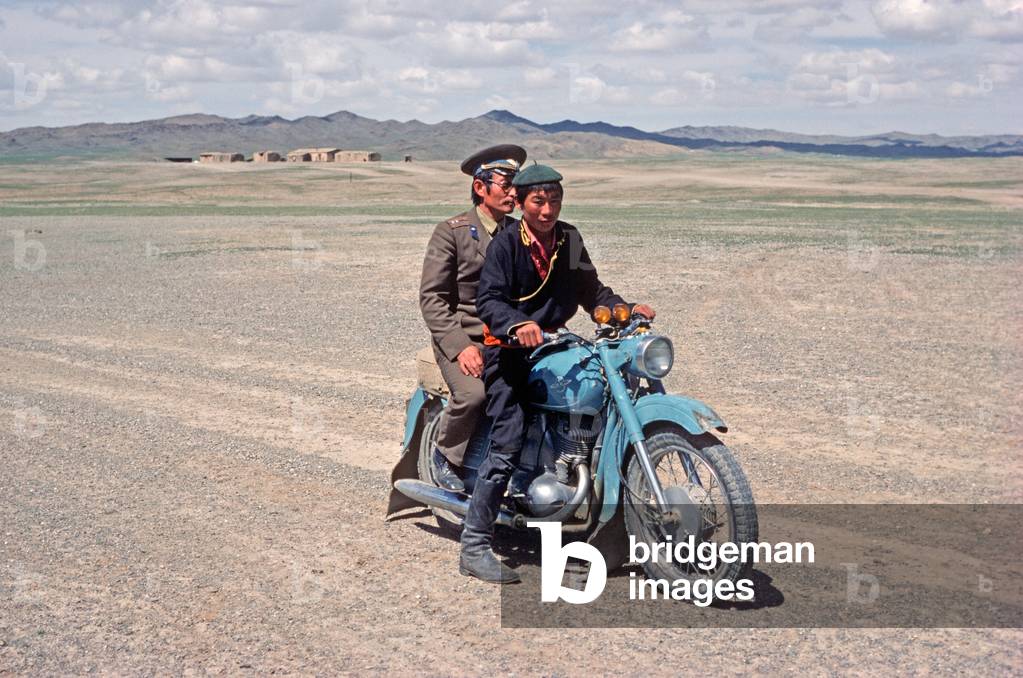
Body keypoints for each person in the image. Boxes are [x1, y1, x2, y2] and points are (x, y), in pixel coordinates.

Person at [459, 163, 655, 583]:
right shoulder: (507, 243)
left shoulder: (568, 238)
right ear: (524, 203)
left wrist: (624, 307)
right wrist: (516, 324)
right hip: (509, 349)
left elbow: (591, 290)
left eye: (554, 201)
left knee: (595, 392)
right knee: (508, 438)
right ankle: (474, 544)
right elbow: (489, 299)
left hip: (555, 340)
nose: (547, 210)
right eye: (538, 201)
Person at [419, 145, 527, 492]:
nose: (514, 192)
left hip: (508, 338)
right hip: (464, 337)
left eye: (517, 185)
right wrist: (461, 347)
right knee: (474, 394)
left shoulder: (520, 233)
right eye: (506, 183)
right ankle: (445, 456)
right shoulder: (451, 231)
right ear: (481, 187)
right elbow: (432, 298)